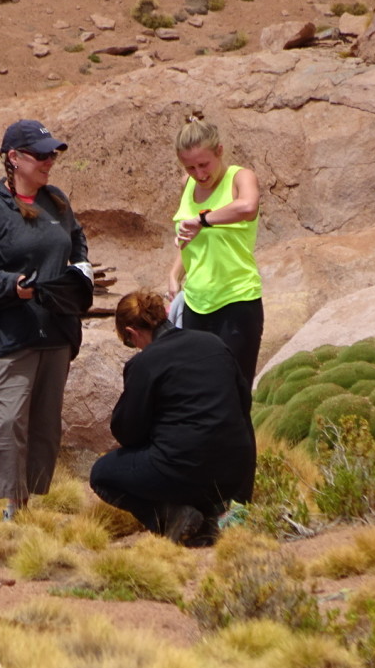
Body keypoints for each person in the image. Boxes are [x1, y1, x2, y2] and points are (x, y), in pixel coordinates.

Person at [0, 119, 89, 521]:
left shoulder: (57, 201)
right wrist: (13, 284)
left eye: (53, 153)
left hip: (54, 331)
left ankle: (26, 510)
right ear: (14, 159)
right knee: (8, 420)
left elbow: (78, 243)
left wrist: (79, 274)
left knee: (44, 426)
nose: (49, 161)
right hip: (6, 334)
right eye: (40, 154)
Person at [89, 290, 256, 546]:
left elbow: (127, 432)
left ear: (133, 333)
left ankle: (171, 517)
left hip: (185, 470)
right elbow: (244, 404)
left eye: (128, 342)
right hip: (235, 472)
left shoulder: (145, 363)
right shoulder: (213, 343)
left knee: (102, 474)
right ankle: (210, 519)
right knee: (186, 457)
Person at [168, 113, 264, 385]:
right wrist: (175, 274)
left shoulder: (240, 177)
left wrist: (203, 219)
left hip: (236, 300)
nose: (199, 174)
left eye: (204, 164)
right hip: (196, 303)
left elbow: (247, 207)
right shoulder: (188, 185)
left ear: (219, 151)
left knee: (233, 389)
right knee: (198, 389)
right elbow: (190, 240)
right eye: (190, 168)